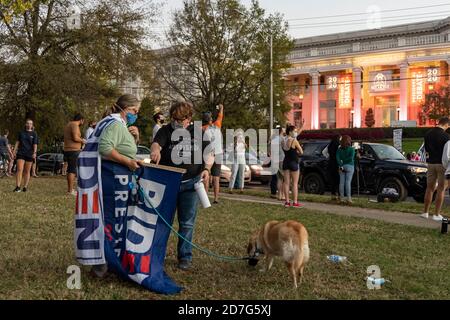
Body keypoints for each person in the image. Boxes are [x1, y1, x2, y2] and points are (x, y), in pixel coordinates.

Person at [150, 101, 213, 271]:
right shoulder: (166, 130)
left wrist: (206, 168)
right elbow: (157, 143)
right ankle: (156, 254)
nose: (176, 122)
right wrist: (155, 150)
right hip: (168, 184)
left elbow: (210, 154)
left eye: (179, 119)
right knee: (163, 221)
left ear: (188, 119)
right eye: (173, 118)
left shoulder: (198, 132)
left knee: (186, 223)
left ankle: (184, 256)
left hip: (191, 184)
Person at [90, 94, 142, 278]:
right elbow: (105, 148)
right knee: (111, 220)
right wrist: (128, 162)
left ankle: (108, 261)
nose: (136, 114)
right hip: (113, 177)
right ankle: (103, 263)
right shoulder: (114, 124)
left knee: (115, 221)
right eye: (134, 111)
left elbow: (121, 147)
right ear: (125, 109)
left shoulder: (119, 125)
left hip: (118, 178)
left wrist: (134, 138)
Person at [421, 117, 450, 221]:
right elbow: (447, 155)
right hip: (441, 164)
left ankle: (425, 212)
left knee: (429, 188)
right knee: (441, 189)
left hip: (431, 163)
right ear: (446, 124)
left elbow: (425, 150)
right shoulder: (446, 136)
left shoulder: (428, 134)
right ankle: (436, 214)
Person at [202, 104, 224, 204]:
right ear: (211, 119)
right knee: (216, 178)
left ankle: (205, 198)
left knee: (206, 176)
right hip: (218, 153)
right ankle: (216, 198)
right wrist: (221, 108)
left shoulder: (202, 129)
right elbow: (220, 115)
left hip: (208, 154)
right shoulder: (217, 125)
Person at [13, 119, 38, 192]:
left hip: (29, 154)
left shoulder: (34, 134)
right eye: (27, 123)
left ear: (32, 125)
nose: (29, 124)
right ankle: (17, 186)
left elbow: (35, 144)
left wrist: (35, 153)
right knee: (19, 169)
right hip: (21, 153)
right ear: (25, 124)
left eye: (30, 123)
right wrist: (14, 151)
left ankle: (25, 187)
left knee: (27, 171)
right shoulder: (21, 132)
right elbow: (17, 142)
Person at [63, 114, 86, 195]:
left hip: (67, 149)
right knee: (72, 170)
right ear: (81, 120)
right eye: (83, 121)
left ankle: (70, 189)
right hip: (73, 151)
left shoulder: (69, 124)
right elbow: (75, 138)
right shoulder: (75, 125)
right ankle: (70, 190)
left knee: (70, 170)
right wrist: (83, 141)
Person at [282, 125, 304, 208]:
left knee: (286, 183)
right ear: (290, 132)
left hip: (286, 162)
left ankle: (287, 202)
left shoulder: (283, 141)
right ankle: (295, 202)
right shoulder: (294, 140)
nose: (295, 132)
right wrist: (297, 152)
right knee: (294, 183)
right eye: (294, 131)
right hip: (294, 162)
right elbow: (301, 152)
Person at [336, 135, 356, 204]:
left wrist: (341, 164)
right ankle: (349, 198)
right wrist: (345, 161)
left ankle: (341, 198)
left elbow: (337, 158)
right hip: (350, 166)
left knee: (341, 182)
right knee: (348, 182)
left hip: (341, 166)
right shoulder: (352, 149)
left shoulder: (339, 149)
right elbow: (351, 158)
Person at [269, 125, 286, 200]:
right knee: (283, 178)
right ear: (281, 131)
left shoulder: (272, 139)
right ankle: (282, 195)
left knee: (278, 178)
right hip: (281, 159)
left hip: (274, 160)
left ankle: (278, 195)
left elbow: (269, 151)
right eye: (283, 129)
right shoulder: (282, 139)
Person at [326, 134, 341, 201]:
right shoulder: (338, 145)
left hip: (330, 163)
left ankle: (333, 194)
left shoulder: (330, 145)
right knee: (338, 180)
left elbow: (327, 153)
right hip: (336, 163)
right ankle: (338, 194)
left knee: (332, 180)